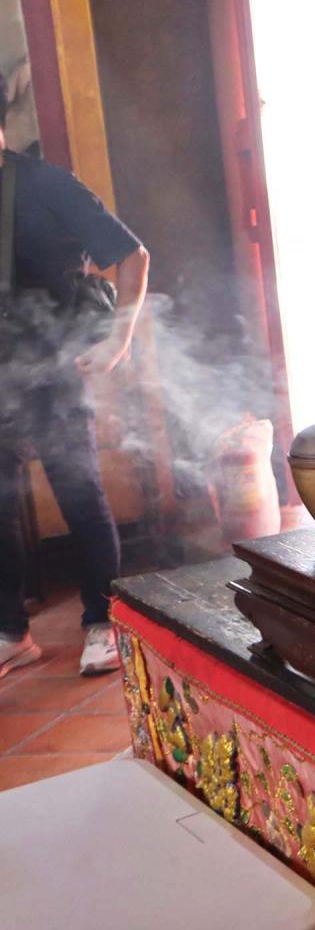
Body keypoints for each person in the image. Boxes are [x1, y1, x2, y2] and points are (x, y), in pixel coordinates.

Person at [0, 140, 149, 678]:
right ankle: (11, 633)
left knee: (79, 493)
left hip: (56, 370)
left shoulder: (46, 184)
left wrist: (119, 340)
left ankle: (103, 622)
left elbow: (132, 255)